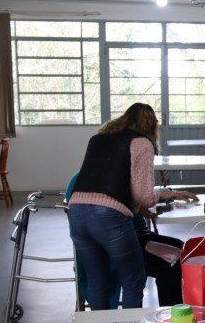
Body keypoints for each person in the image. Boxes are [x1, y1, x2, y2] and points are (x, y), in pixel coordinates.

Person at [68, 103, 194, 310]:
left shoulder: (97, 139)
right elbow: (145, 197)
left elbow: (107, 184)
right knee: (133, 281)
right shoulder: (141, 143)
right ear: (152, 126)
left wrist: (138, 205)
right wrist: (162, 194)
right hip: (108, 218)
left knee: (98, 280)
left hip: (77, 212)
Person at [66, 172, 187, 308]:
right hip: (120, 242)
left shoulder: (79, 179)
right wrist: (160, 194)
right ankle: (170, 318)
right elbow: (137, 201)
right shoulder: (116, 176)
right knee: (172, 261)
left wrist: (141, 209)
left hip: (106, 241)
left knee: (181, 248)